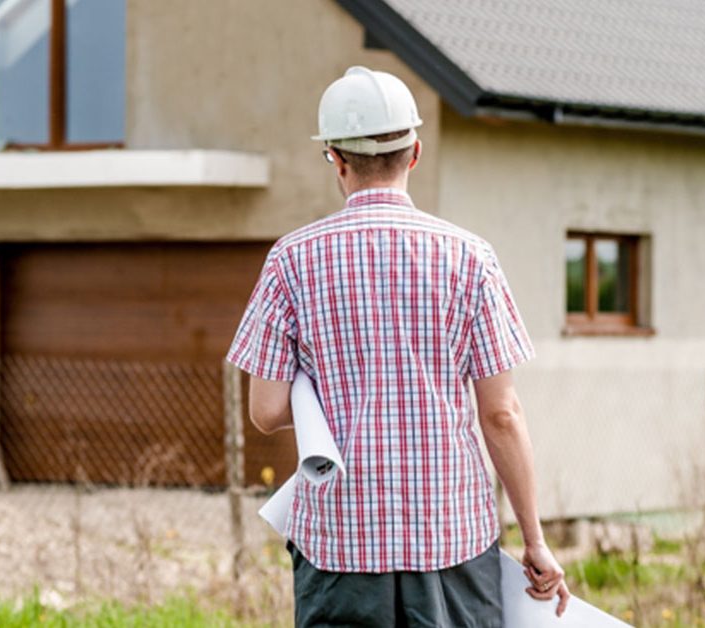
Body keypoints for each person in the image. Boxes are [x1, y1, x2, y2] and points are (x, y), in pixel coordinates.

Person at [227, 66, 569, 627]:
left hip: (339, 544)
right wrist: (534, 540)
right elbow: (501, 414)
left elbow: (265, 412)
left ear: (335, 159)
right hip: (451, 539)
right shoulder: (470, 258)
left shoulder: (290, 260)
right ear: (414, 152)